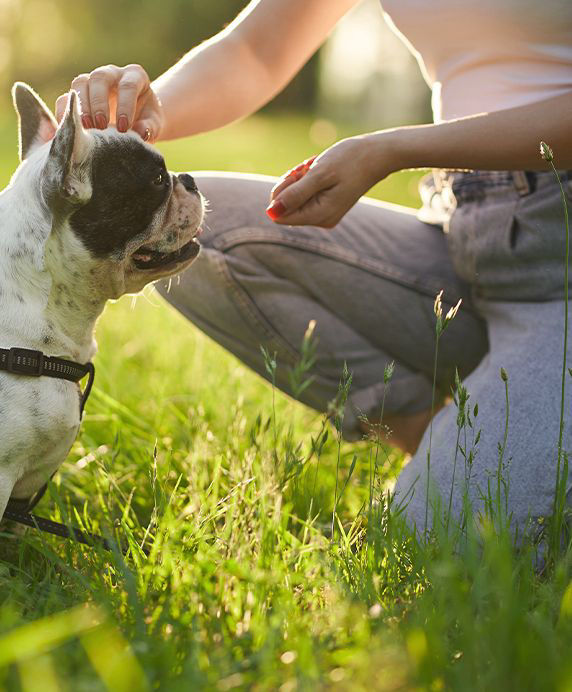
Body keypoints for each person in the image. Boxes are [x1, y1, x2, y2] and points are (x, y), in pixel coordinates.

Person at [57, 0, 572, 538]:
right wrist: (142, 114)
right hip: (463, 229)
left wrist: (394, 149)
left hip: (560, 266)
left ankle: (488, 451)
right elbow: (256, 52)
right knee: (199, 235)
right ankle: (434, 440)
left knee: (437, 547)